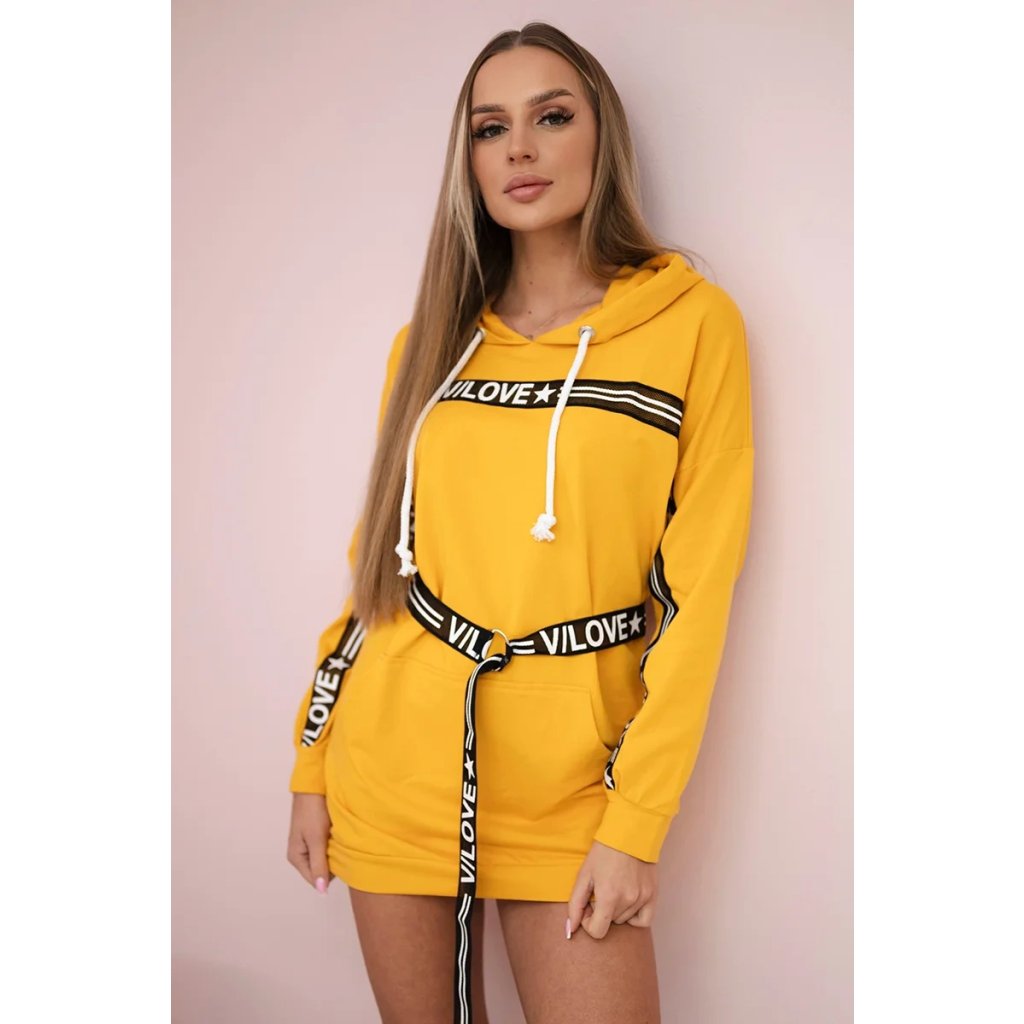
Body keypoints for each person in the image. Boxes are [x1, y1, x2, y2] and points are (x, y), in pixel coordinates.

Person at [286, 21, 754, 1024]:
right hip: (396, 767)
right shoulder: (429, 344)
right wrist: (312, 763)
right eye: (490, 128)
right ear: (469, 162)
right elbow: (375, 574)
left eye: (552, 116)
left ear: (602, 135)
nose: (521, 149)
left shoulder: (691, 324)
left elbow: (696, 597)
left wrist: (635, 825)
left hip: (574, 790)